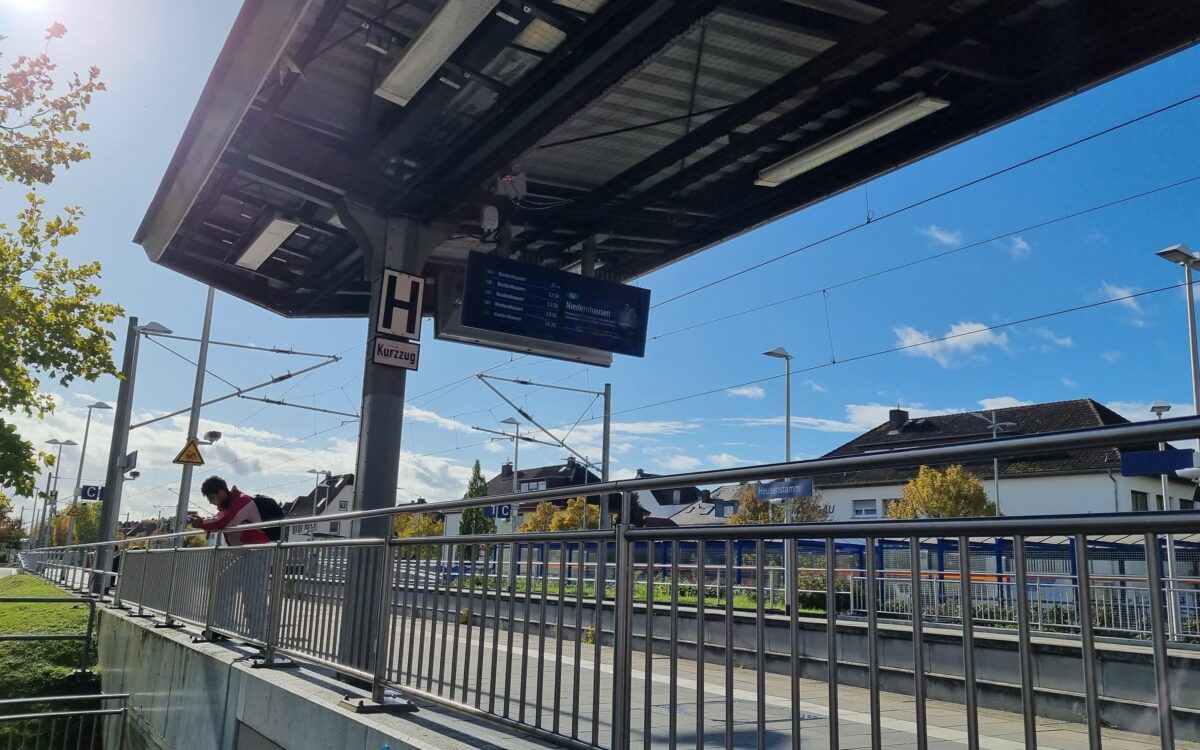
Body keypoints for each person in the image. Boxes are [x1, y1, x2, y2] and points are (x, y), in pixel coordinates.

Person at [189, 476, 271, 641]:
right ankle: (223, 628)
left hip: (258, 551)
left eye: (212, 497)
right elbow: (219, 520)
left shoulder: (242, 501)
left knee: (253, 595)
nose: (210, 502)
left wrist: (202, 523)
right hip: (246, 553)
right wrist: (205, 523)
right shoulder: (228, 505)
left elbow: (224, 522)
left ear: (221, 492)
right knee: (223, 585)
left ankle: (260, 639)